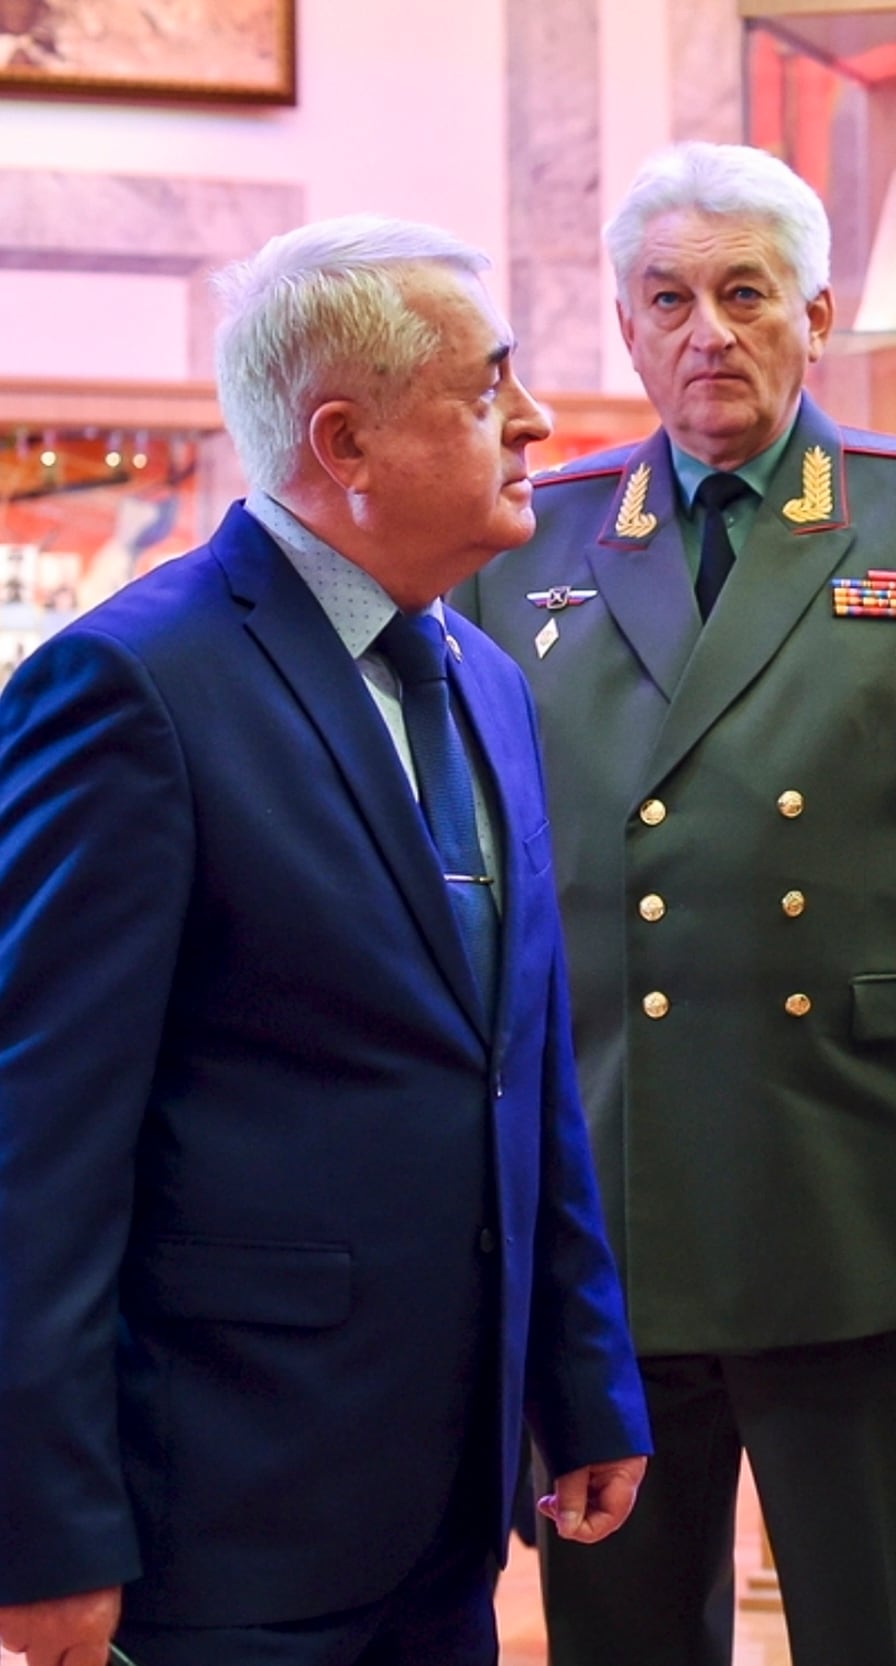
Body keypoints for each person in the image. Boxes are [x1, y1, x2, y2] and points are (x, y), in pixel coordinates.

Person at [0, 216, 649, 1666]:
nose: (536, 419)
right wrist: (41, 1529)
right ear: (345, 442)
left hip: (443, 1509)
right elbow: (36, 1148)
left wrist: (584, 1378)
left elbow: (519, 1063)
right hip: (223, 1516)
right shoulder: (128, 687)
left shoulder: (481, 677)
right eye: (488, 391)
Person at [452, 141, 896, 1666]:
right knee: (623, 1632)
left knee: (890, 1628)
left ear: (819, 313)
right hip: (612, 1188)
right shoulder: (533, 541)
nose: (705, 329)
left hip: (851, 1184)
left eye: (743, 292)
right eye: (668, 298)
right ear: (625, 324)